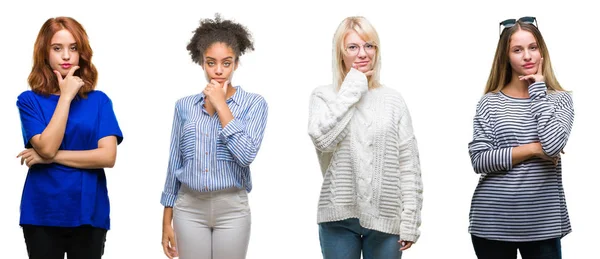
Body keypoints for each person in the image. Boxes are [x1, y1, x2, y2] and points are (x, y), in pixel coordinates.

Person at [307, 16, 423, 259]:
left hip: (386, 218)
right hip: (338, 218)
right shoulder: (324, 96)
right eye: (353, 47)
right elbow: (322, 140)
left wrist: (411, 220)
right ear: (340, 53)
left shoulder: (393, 100)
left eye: (369, 46)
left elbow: (408, 165)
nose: (363, 53)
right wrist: (353, 86)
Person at [160, 14, 268, 259]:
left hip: (232, 209)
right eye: (211, 63)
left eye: (226, 63)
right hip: (189, 207)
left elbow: (247, 155)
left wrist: (222, 106)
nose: (218, 71)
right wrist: (167, 220)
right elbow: (174, 163)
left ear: (236, 63)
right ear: (202, 63)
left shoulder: (254, 104)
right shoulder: (184, 106)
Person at [16, 16, 124, 259]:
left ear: (81, 53)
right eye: (57, 48)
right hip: (42, 212)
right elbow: (46, 146)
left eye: (73, 48)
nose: (66, 56)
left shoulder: (99, 101)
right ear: (45, 53)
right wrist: (65, 97)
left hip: (88, 212)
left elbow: (107, 156)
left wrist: (49, 158)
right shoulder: (28, 100)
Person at [468, 16, 574, 259]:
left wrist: (538, 90)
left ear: (541, 52)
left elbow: (553, 145)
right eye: (517, 50)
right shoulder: (490, 103)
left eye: (532, 48)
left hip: (542, 224)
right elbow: (479, 160)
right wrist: (534, 149)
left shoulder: (559, 100)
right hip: (492, 222)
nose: (527, 56)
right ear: (506, 57)